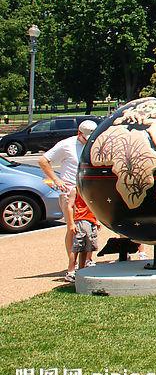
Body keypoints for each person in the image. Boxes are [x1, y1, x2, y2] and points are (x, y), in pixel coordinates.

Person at [39, 119, 97, 282]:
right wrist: (57, 180)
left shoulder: (93, 144)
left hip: (88, 192)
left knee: (90, 228)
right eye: (86, 137)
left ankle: (87, 260)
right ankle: (73, 266)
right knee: (74, 229)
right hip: (71, 192)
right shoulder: (66, 145)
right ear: (79, 134)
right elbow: (43, 160)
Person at [66, 193, 99, 282]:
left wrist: (97, 219)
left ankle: (81, 271)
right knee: (77, 246)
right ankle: (71, 271)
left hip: (91, 219)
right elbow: (70, 206)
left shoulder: (91, 188)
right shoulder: (76, 189)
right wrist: (72, 223)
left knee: (86, 247)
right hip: (81, 219)